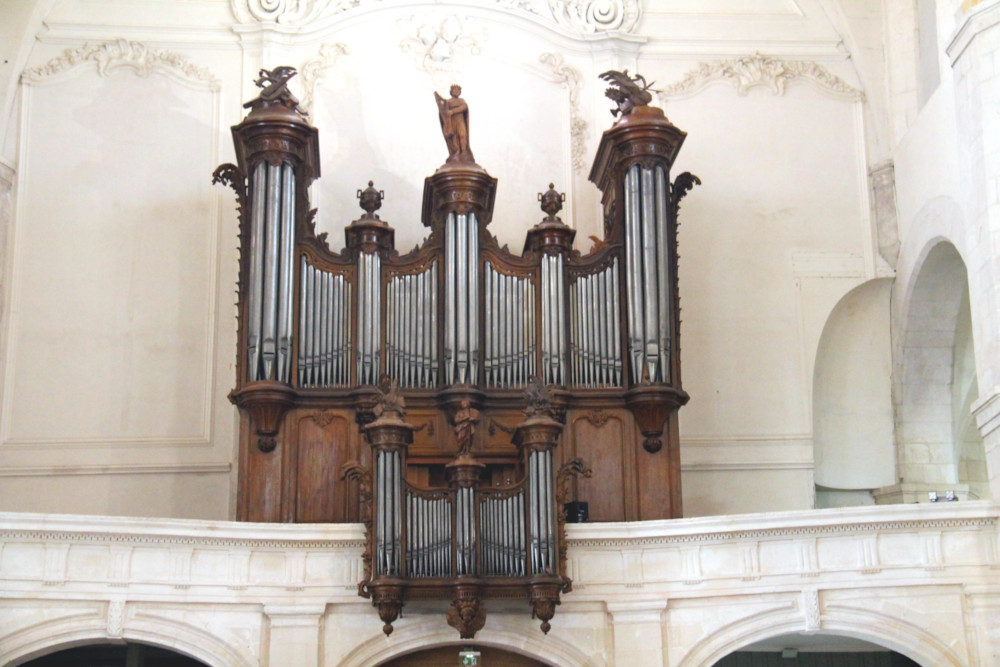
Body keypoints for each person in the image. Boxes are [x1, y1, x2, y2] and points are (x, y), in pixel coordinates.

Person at [434, 84, 474, 163]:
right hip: (451, 122)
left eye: (458, 90)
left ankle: (463, 151)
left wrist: (452, 111)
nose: (456, 92)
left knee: (462, 134)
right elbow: (443, 110)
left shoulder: (461, 101)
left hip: (460, 120)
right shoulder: (448, 102)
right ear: (451, 92)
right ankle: (457, 151)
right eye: (454, 90)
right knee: (454, 137)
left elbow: (464, 107)